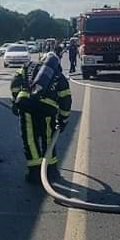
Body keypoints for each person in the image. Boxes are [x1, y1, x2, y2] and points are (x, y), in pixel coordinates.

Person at [11, 49, 71, 183]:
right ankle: (51, 171)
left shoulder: (28, 67)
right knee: (49, 139)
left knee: (30, 140)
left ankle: (34, 172)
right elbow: (66, 99)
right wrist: (63, 119)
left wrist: (15, 101)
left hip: (27, 106)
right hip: (47, 111)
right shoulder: (58, 75)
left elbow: (14, 83)